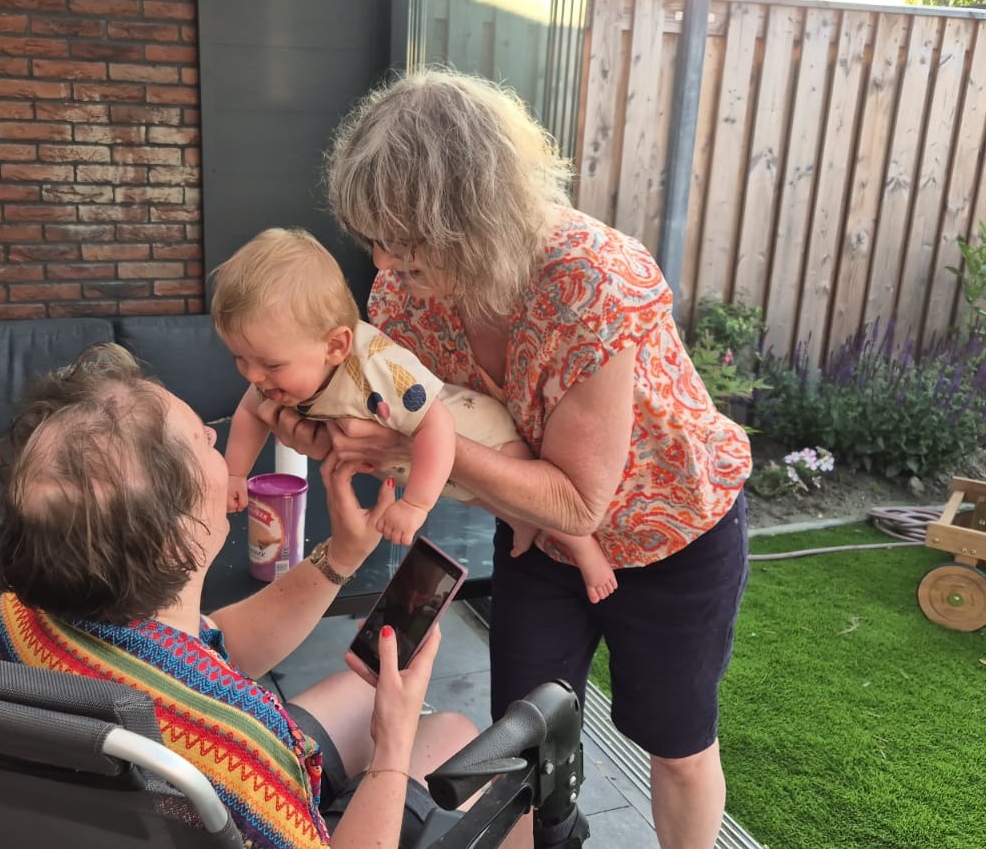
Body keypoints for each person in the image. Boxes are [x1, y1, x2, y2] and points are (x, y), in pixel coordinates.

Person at [257, 69, 754, 849]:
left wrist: (409, 448)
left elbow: (578, 501)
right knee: (519, 744)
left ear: (476, 219)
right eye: (373, 238)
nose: (383, 264)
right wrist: (337, 433)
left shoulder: (591, 280)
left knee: (677, 747)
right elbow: (429, 442)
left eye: (405, 242)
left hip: (673, 533)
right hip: (537, 536)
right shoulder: (404, 295)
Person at [0, 342, 488, 848]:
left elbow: (206, 647)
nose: (215, 438)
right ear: (177, 539)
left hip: (132, 806)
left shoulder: (19, 615)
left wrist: (341, 557)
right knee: (456, 737)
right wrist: (393, 746)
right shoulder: (242, 750)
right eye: (201, 441)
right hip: (239, 806)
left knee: (365, 691)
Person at [209, 226, 618, 602]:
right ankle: (522, 523)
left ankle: (584, 550)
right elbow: (250, 411)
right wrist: (235, 474)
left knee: (514, 484)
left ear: (336, 346)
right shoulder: (278, 364)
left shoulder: (377, 371)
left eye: (269, 365)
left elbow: (436, 424)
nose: (253, 375)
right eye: (239, 358)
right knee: (485, 496)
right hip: (419, 461)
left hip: (473, 429)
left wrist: (416, 506)